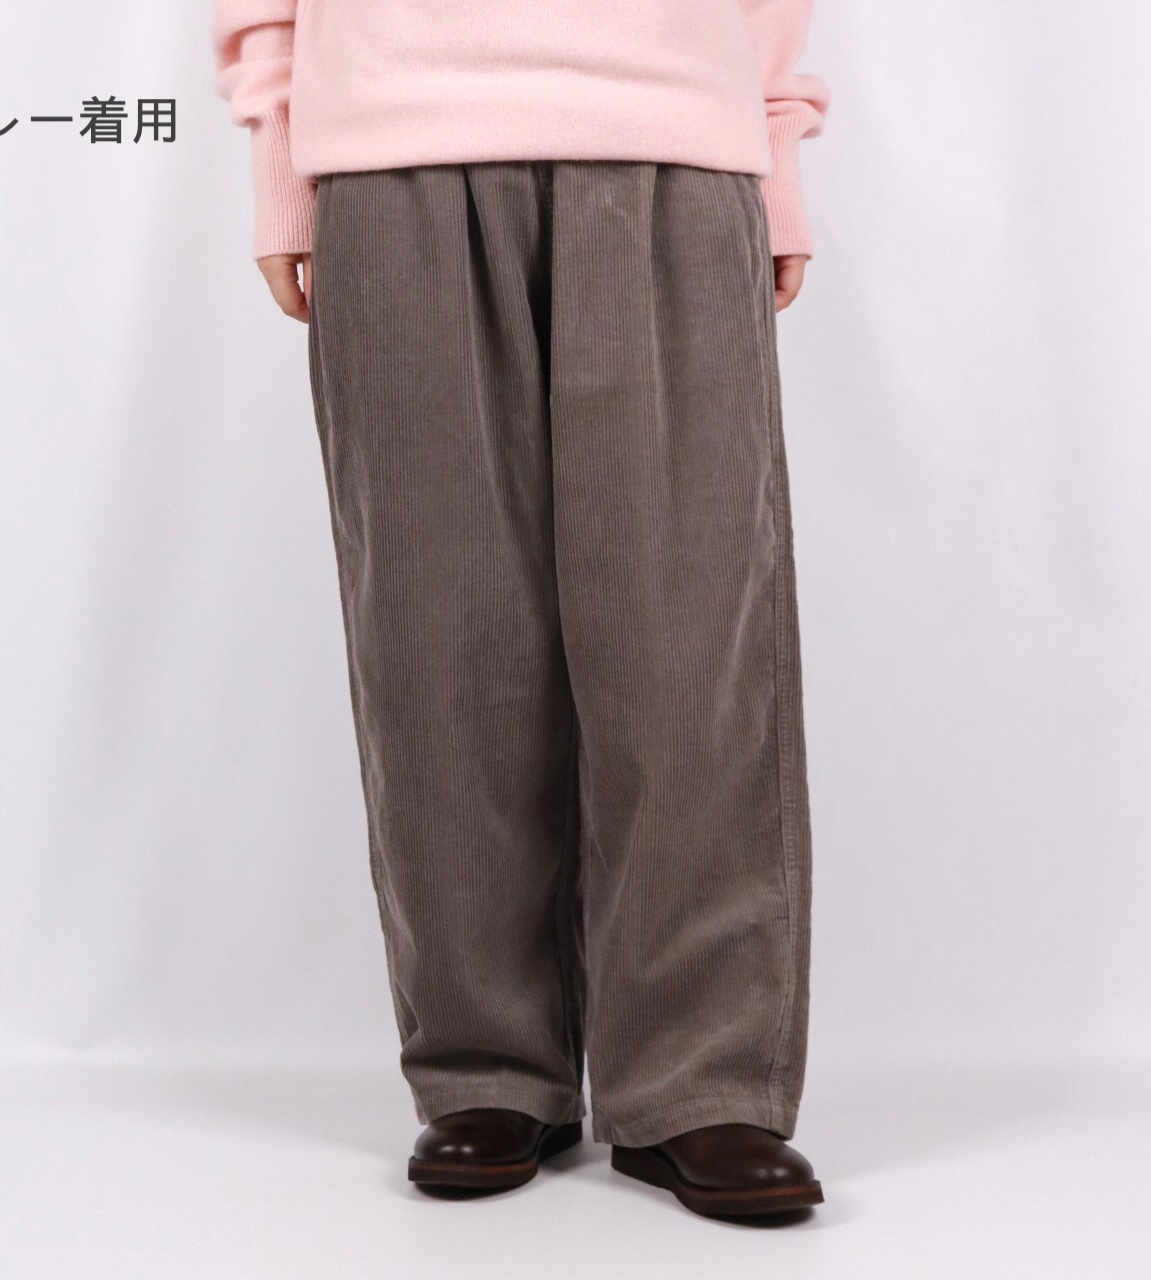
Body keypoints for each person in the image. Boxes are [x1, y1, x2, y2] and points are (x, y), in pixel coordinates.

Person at [213, 0, 828, 1221]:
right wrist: (280, 146)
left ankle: (701, 1078)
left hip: (672, 137)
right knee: (437, 635)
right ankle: (486, 1065)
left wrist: (769, 140)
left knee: (689, 635)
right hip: (391, 143)